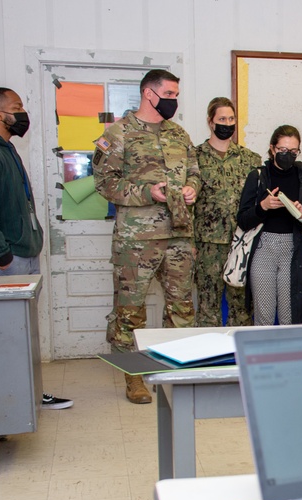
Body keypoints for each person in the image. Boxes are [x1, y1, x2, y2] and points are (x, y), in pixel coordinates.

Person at [0, 87, 73, 410]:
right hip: (0, 262)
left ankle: (28, 397)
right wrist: (4, 257)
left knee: (21, 336)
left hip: (20, 256)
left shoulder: (5, 150)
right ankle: (1, 407)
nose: (22, 113)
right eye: (17, 107)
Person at [93, 69, 200, 404]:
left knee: (181, 308)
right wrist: (145, 191)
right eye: (168, 94)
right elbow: (104, 183)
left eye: (176, 95)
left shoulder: (179, 134)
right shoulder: (118, 134)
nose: (174, 100)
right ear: (148, 94)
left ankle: (172, 370)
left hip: (179, 235)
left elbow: (195, 170)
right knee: (130, 310)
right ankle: (133, 377)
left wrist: (192, 188)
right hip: (137, 239)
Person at [236, 125, 302, 325]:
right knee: (264, 314)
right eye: (283, 150)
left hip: (292, 251)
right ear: (272, 148)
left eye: (293, 151)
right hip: (263, 248)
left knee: (289, 315)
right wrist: (263, 206)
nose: (288, 155)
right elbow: (242, 219)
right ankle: (262, 356)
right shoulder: (258, 176)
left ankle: (287, 356)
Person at [193, 96, 261, 327]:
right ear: (211, 122)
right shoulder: (194, 158)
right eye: (222, 118)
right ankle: (207, 359)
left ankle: (239, 358)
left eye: (231, 119)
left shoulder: (250, 159)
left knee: (241, 306)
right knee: (207, 304)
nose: (227, 123)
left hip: (241, 242)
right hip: (207, 244)